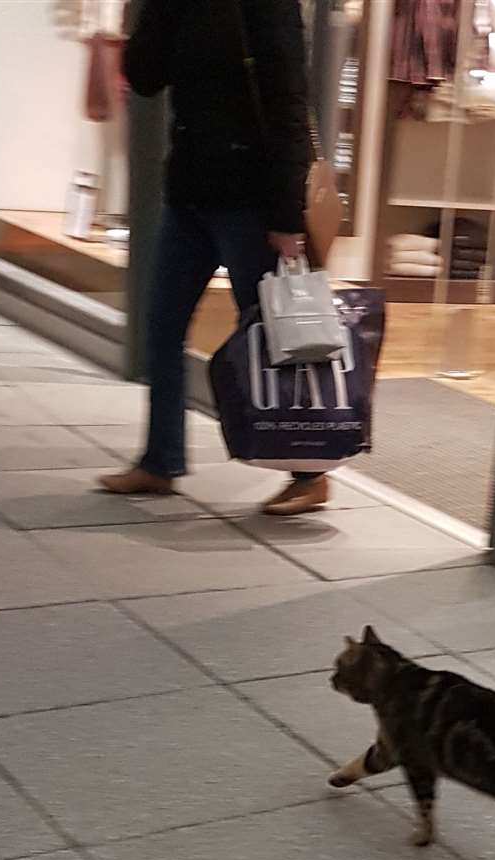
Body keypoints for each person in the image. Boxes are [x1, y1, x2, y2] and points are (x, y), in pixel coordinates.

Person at [99, 0, 329, 515]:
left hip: (249, 201)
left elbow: (288, 101)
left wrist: (288, 217)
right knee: (161, 328)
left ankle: (311, 473)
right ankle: (160, 462)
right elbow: (144, 77)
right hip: (189, 196)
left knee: (273, 335)